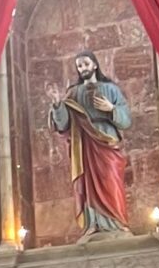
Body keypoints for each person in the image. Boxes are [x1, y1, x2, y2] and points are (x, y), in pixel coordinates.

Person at [49, 50, 131, 235]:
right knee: (87, 183)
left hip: (107, 141)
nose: (82, 68)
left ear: (94, 64)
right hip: (84, 144)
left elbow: (126, 120)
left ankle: (116, 222)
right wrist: (57, 104)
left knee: (110, 181)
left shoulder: (110, 89)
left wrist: (111, 109)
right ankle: (92, 223)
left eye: (85, 63)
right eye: (79, 66)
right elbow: (63, 125)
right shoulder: (73, 93)